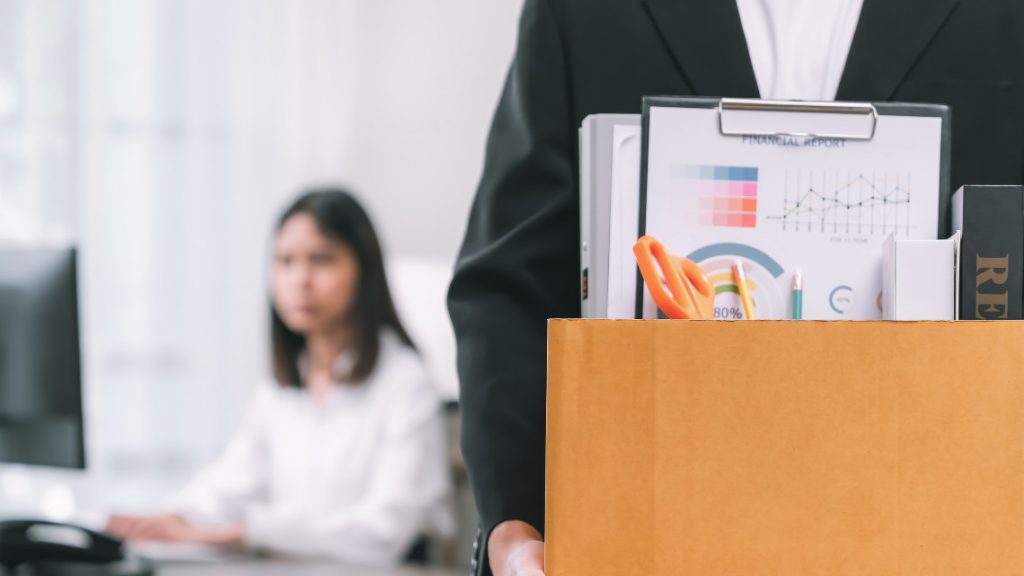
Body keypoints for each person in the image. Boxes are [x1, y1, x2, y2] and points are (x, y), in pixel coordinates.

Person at [447, 1, 1024, 575]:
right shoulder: (579, 11)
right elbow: (508, 285)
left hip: (933, 530)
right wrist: (515, 524)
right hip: (653, 528)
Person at [108, 189, 452, 566]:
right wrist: (167, 519)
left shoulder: (405, 382)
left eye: (321, 260)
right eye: (285, 261)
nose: (299, 279)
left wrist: (245, 532)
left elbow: (382, 534)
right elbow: (230, 485)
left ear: (364, 270)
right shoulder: (283, 386)